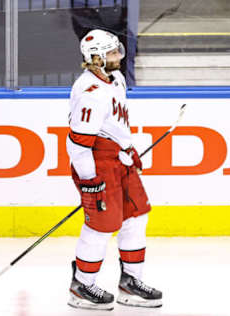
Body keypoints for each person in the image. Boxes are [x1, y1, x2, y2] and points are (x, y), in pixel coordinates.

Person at [65, 29, 162, 311]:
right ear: (94, 58)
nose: (117, 56)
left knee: (136, 215)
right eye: (110, 53)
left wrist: (128, 149)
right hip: (98, 164)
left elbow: (117, 126)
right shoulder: (89, 93)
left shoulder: (115, 79)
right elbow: (78, 144)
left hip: (120, 161)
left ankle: (130, 282)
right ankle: (82, 286)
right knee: (101, 226)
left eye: (116, 50)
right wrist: (89, 180)